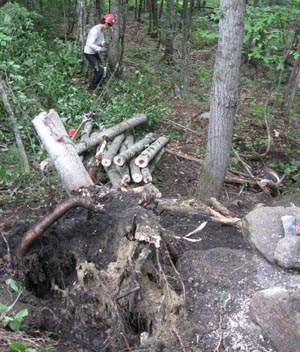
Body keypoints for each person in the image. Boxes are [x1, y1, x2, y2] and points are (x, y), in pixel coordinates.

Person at [84, 14, 116, 91]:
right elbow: (89, 44)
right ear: (106, 23)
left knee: (101, 69)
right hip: (89, 53)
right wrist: (100, 49)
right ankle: (91, 88)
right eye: (108, 26)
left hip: (94, 53)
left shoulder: (101, 31)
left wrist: (104, 43)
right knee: (100, 70)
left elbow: (100, 41)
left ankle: (98, 84)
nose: (108, 28)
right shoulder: (95, 30)